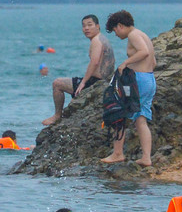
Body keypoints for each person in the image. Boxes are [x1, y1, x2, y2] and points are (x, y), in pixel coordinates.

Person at [100, 10, 156, 166]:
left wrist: (126, 63)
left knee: (120, 113)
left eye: (115, 31)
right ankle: (146, 158)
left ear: (120, 25)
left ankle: (118, 153)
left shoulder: (133, 35)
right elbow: (154, 61)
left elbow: (143, 52)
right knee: (141, 119)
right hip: (149, 79)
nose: (116, 35)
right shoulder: (143, 35)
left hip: (138, 81)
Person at [43, 13, 116, 126]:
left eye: (89, 25)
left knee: (57, 83)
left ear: (98, 26)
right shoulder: (103, 39)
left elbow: (94, 62)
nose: (86, 28)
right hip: (106, 81)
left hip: (95, 81)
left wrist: (83, 82)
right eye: (84, 26)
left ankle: (57, 115)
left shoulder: (96, 41)